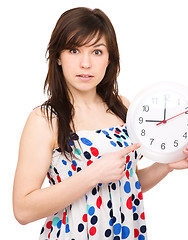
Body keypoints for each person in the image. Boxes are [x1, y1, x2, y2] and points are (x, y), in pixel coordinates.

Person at [13, 7, 188, 240]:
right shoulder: (44, 119)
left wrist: (165, 166)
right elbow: (22, 210)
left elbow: (128, 183)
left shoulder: (122, 107)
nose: (85, 63)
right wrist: (91, 175)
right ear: (58, 57)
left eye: (97, 52)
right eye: (74, 50)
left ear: (109, 58)